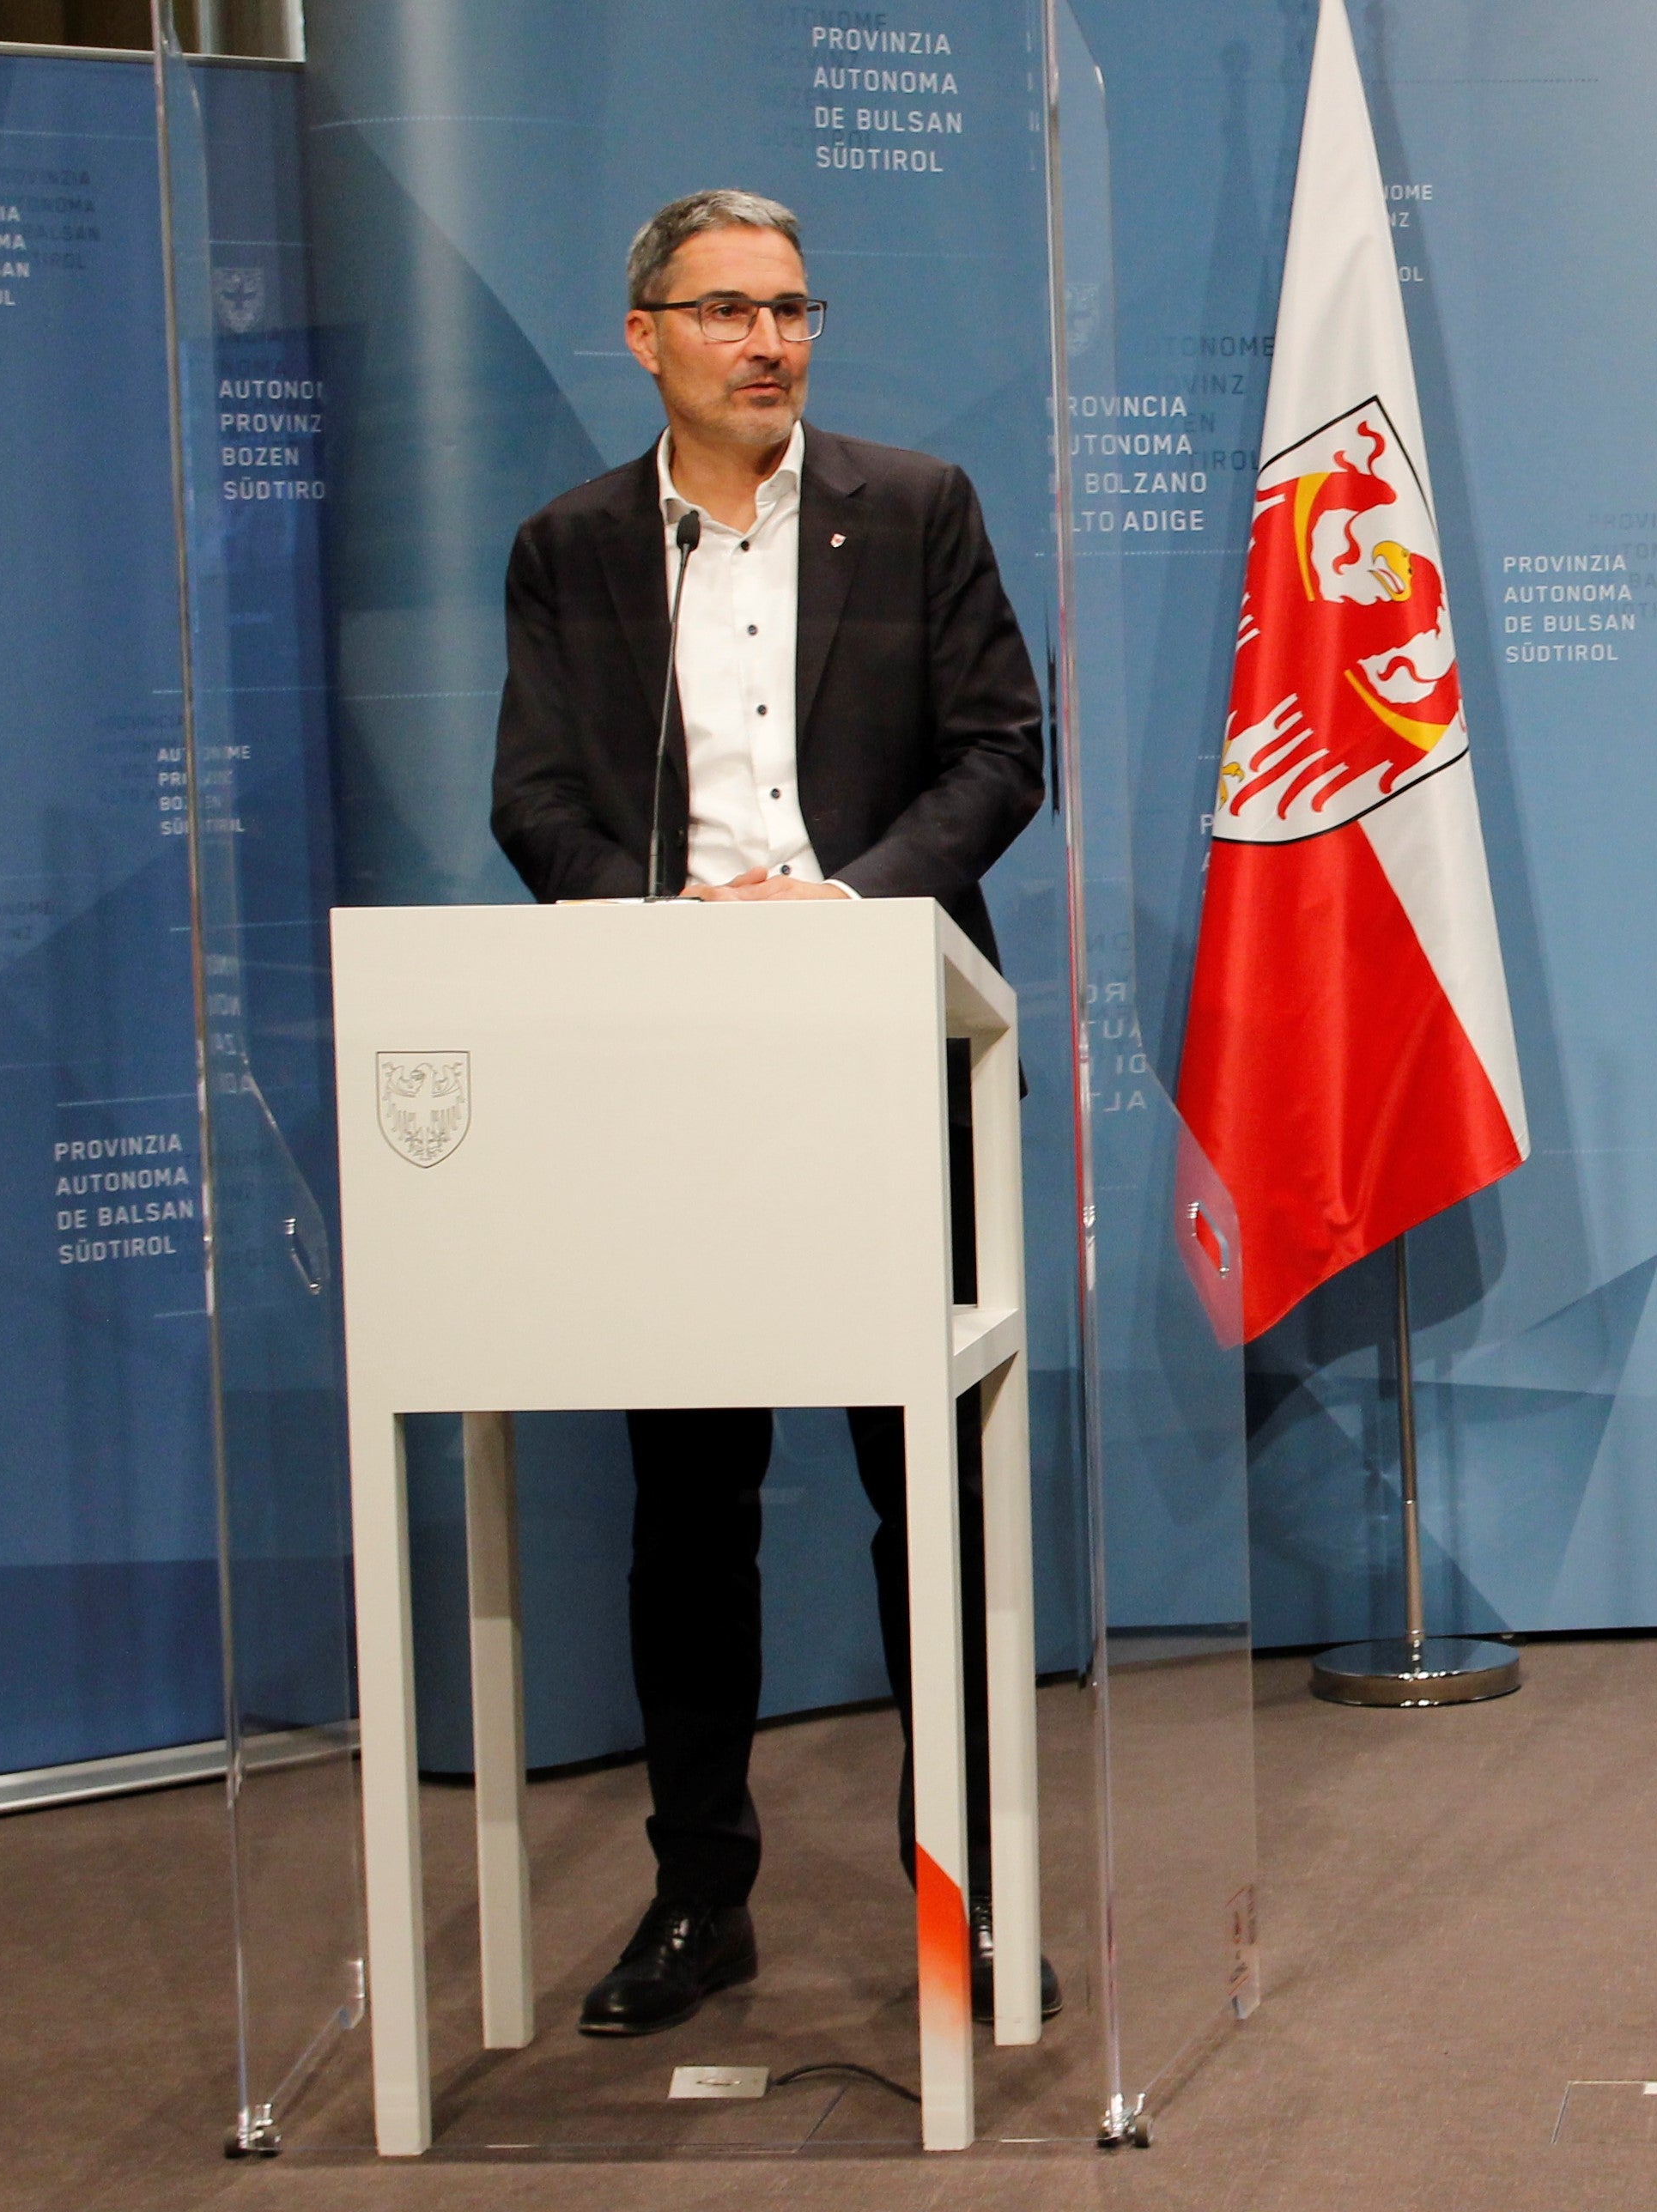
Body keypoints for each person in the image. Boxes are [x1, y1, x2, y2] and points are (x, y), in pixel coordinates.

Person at [489, 188, 1049, 2035]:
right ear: (641, 333)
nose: (769, 341)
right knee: (690, 1502)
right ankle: (696, 1896)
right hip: (681, 1064)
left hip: (897, 1035)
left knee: (930, 1497)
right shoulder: (569, 548)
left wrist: (852, 903)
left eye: (793, 307)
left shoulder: (918, 507)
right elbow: (537, 804)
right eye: (726, 309)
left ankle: (966, 1895)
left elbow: (999, 752)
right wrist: (668, 932)